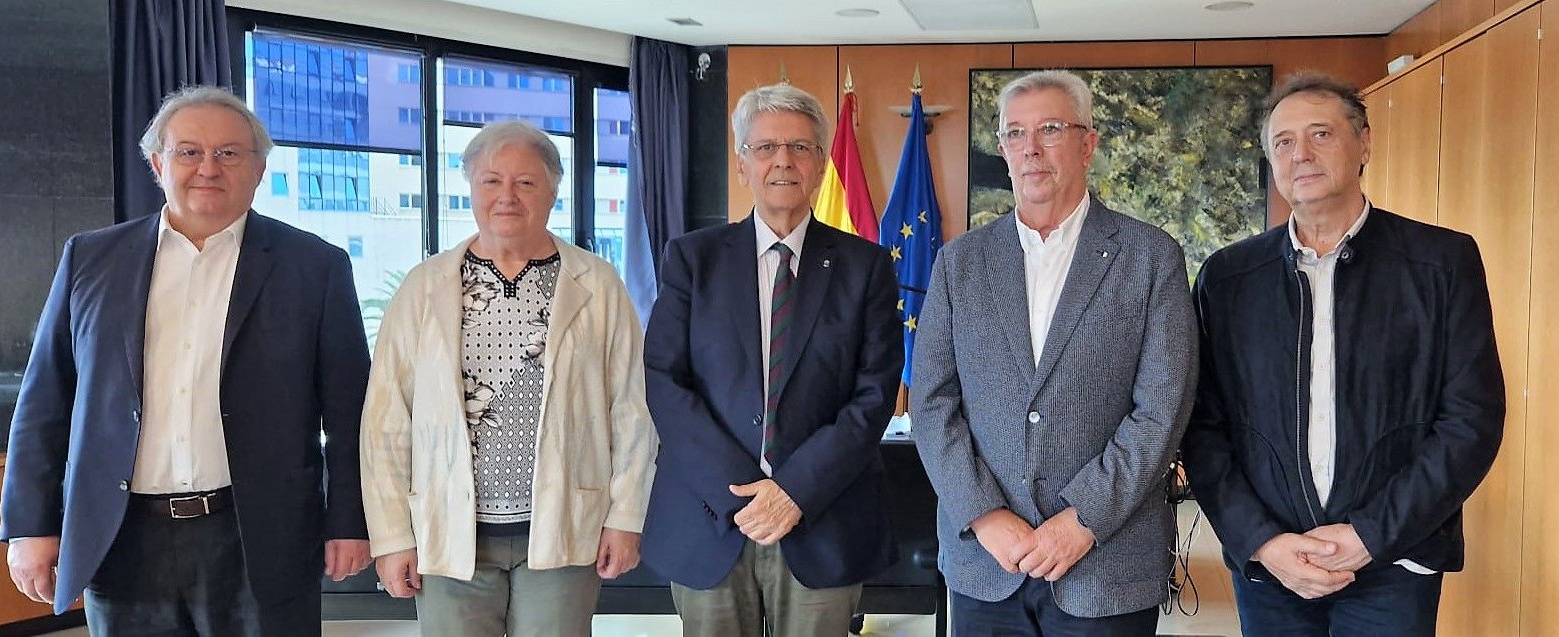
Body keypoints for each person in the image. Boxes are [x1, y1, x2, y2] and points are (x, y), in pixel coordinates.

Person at [0, 85, 371, 635]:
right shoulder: (90, 258)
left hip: (259, 535)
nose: (208, 168)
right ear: (157, 162)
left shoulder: (315, 267)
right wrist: (30, 524)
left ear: (259, 168)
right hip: (123, 536)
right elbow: (45, 400)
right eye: (189, 151)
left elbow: (349, 412)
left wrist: (350, 521)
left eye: (228, 153)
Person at [1182, 72, 1505, 636]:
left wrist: (1370, 536)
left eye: (1321, 134)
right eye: (1283, 142)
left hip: (1395, 561)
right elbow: (1203, 427)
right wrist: (1262, 541)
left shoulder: (1441, 262)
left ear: (1364, 144)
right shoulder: (1228, 278)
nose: (1300, 154)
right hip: (1273, 568)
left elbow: (1470, 421)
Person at [910, 70, 1198, 635]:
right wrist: (986, 515)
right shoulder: (959, 263)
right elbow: (932, 403)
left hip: (1106, 565)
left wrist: (1082, 519)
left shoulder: (1150, 256)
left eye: (1050, 129)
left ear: (1088, 143)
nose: (1031, 149)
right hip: (986, 562)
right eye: (1016, 134)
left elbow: (1162, 411)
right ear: (1003, 150)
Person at [360, 120, 656, 636]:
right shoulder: (424, 287)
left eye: (526, 182)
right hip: (450, 534)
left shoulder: (598, 285)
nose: (507, 197)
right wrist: (390, 537)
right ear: (471, 188)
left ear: (552, 191)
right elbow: (387, 421)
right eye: (491, 181)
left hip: (564, 528)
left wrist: (625, 518)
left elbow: (632, 410)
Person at [641, 83, 902, 637]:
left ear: (821, 164)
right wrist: (742, 493)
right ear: (742, 165)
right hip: (710, 518)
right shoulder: (692, 259)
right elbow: (665, 381)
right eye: (765, 148)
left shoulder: (866, 266)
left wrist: (793, 491)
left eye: (800, 147)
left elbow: (874, 392)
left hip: (822, 518)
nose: (783, 160)